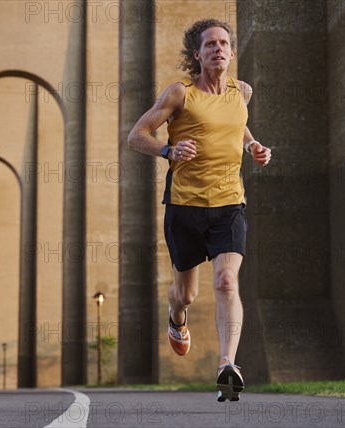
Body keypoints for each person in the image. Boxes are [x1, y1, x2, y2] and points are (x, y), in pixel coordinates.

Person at [127, 18, 271, 402]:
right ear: (198, 54)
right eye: (210, 44)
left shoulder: (242, 92)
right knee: (185, 294)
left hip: (229, 202)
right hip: (185, 206)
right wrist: (168, 151)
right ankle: (176, 319)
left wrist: (253, 147)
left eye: (224, 43)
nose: (218, 49)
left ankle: (227, 366)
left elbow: (237, 127)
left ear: (231, 51)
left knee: (226, 281)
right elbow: (136, 135)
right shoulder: (180, 94)